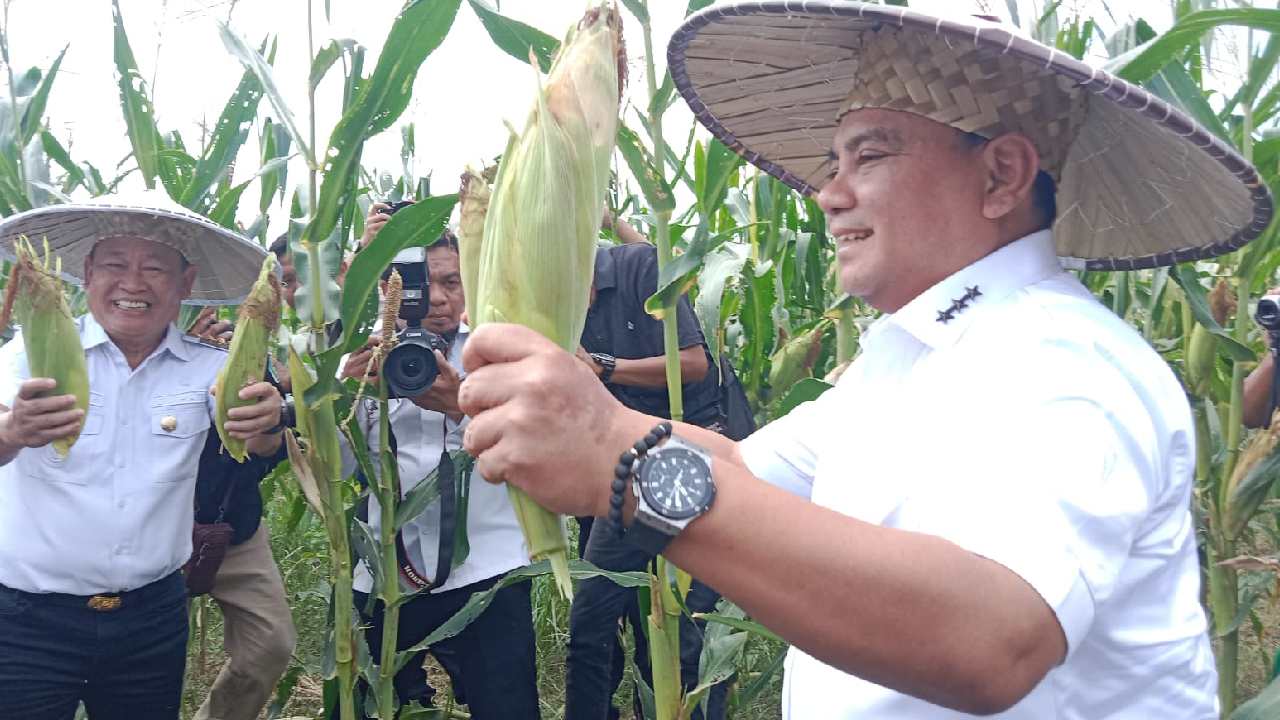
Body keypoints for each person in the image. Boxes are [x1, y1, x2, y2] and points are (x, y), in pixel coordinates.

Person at [453, 4, 1273, 718]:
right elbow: (741, 467)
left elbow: (993, 637)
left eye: (870, 156)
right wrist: (574, 421)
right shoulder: (910, 354)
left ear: (1001, 174)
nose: (828, 193)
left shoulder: (1067, 361)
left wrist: (616, 460)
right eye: (833, 161)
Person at [0, 192, 285, 720]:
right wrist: (15, 431)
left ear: (184, 283)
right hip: (27, 622)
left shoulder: (211, 370)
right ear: (87, 273)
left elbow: (258, 446)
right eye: (115, 265)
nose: (133, 283)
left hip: (151, 620)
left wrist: (267, 425)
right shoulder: (23, 359)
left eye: (155, 268)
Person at [337, 214, 539, 718]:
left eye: (452, 282)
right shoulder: (362, 354)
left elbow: (540, 456)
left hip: (489, 571)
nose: (438, 299)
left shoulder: (502, 353)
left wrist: (459, 403)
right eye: (420, 286)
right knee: (361, 707)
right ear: (390, 290)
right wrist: (347, 392)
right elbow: (335, 470)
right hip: (381, 572)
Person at [567, 240, 728, 720]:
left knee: (683, 635)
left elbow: (695, 362)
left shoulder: (639, 266)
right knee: (589, 625)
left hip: (685, 463)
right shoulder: (550, 300)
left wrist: (602, 367)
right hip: (618, 474)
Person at [186, 283, 295, 720]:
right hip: (149, 528)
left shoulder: (241, 358)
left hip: (233, 529)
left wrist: (266, 426)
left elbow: (272, 449)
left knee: (269, 645)